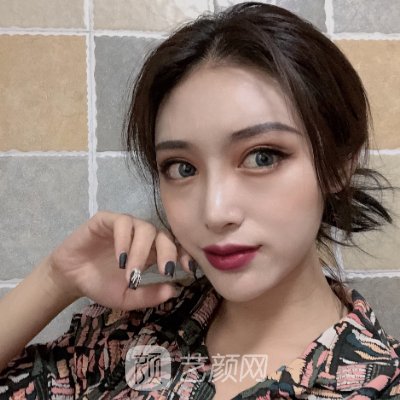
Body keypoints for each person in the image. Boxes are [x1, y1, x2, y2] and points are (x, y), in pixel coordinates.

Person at [1, 2, 399, 399]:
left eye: (262, 157)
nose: (215, 212)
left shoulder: (381, 384)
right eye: (182, 168)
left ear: (338, 165)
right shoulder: (130, 336)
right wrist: (55, 280)